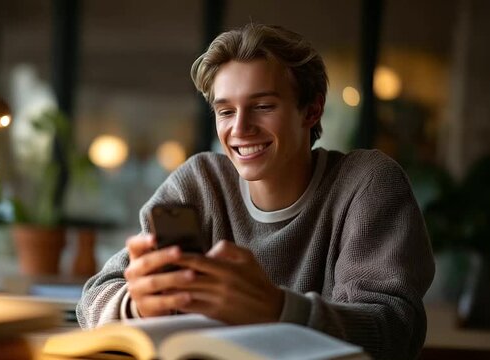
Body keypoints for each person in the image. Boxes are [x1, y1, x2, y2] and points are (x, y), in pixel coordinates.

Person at [76, 23, 434, 359]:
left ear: (312, 109)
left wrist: (277, 309)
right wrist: (138, 305)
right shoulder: (200, 181)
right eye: (226, 111)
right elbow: (92, 297)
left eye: (262, 106)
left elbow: (394, 330)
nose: (240, 128)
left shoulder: (366, 183)